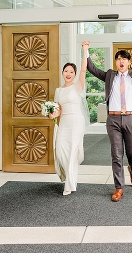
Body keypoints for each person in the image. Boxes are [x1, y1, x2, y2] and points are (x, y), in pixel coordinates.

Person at [85, 33, 132, 202]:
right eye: (118, 59)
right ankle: (119, 188)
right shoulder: (110, 75)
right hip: (114, 120)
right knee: (116, 154)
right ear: (116, 62)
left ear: (129, 62)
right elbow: (92, 69)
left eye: (124, 59)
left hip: (131, 118)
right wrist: (86, 51)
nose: (121, 61)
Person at [48, 47, 90, 196]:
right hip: (64, 122)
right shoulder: (58, 91)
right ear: (62, 73)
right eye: (66, 71)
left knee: (72, 151)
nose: (68, 74)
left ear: (75, 74)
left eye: (72, 72)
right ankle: (69, 177)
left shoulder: (78, 86)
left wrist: (85, 51)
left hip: (76, 121)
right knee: (60, 151)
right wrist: (52, 115)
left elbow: (84, 70)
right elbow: (58, 110)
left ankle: (69, 185)